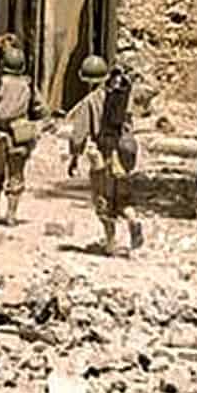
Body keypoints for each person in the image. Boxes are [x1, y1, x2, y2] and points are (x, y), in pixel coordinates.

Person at [68, 55, 141, 255]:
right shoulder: (123, 97)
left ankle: (110, 244)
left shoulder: (90, 101)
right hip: (123, 155)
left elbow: (78, 135)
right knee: (124, 198)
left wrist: (74, 157)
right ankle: (133, 220)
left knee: (104, 201)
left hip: (104, 155)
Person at [0, 48, 47, 225]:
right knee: (16, 174)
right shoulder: (28, 85)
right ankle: (11, 214)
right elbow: (42, 110)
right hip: (21, 137)